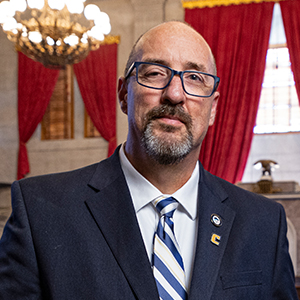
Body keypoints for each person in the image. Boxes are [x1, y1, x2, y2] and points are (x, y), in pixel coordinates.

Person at [0, 21, 297, 300]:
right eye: (155, 73)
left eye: (194, 78)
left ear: (213, 108)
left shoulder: (264, 223)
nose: (174, 94)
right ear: (123, 94)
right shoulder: (40, 212)